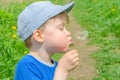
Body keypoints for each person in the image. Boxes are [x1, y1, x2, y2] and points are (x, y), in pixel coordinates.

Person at [14, 1, 79, 80]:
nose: (68, 33)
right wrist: (62, 71)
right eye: (61, 28)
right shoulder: (27, 66)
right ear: (39, 36)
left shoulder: (54, 66)